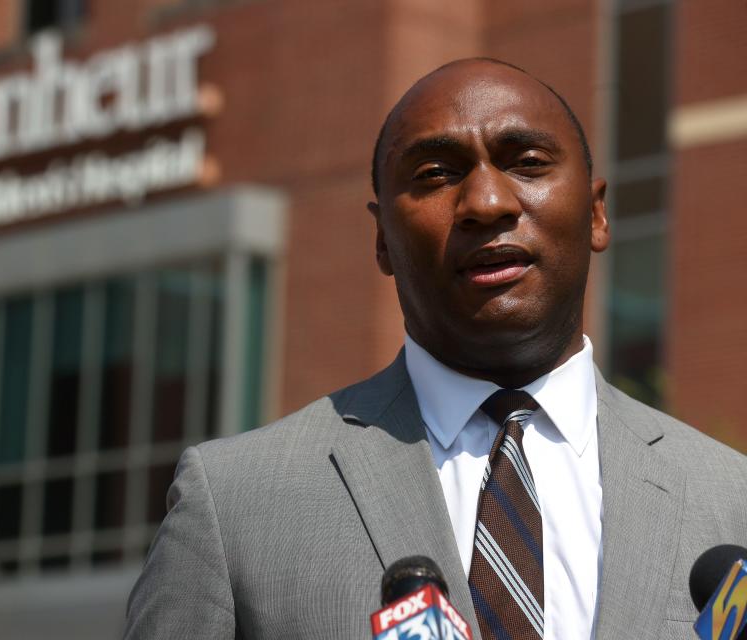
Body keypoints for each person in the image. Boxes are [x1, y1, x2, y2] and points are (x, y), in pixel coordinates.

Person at [124, 58, 747, 639]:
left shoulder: (732, 500)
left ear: (596, 214)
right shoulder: (236, 502)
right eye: (435, 175)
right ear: (382, 241)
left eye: (526, 162)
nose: (487, 203)